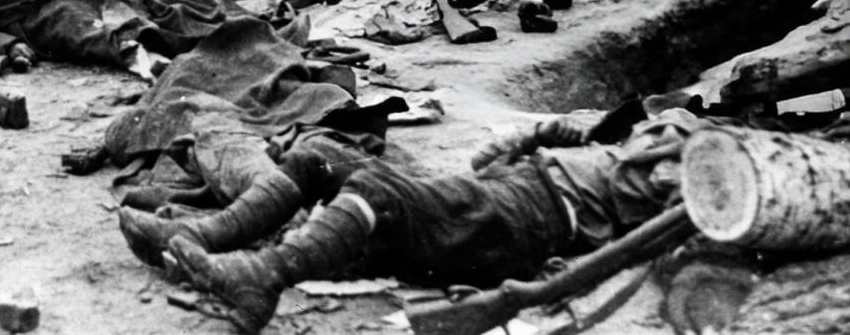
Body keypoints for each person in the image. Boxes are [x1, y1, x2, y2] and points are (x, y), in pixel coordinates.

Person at [118, 106, 709, 333]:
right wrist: (544, 133)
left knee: (380, 191)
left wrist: (672, 140)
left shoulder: (695, 162)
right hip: (499, 194)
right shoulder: (624, 135)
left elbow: (658, 190)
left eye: (662, 130)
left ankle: (260, 277)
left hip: (525, 221)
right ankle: (200, 235)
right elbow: (482, 158)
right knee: (314, 154)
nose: (652, 131)